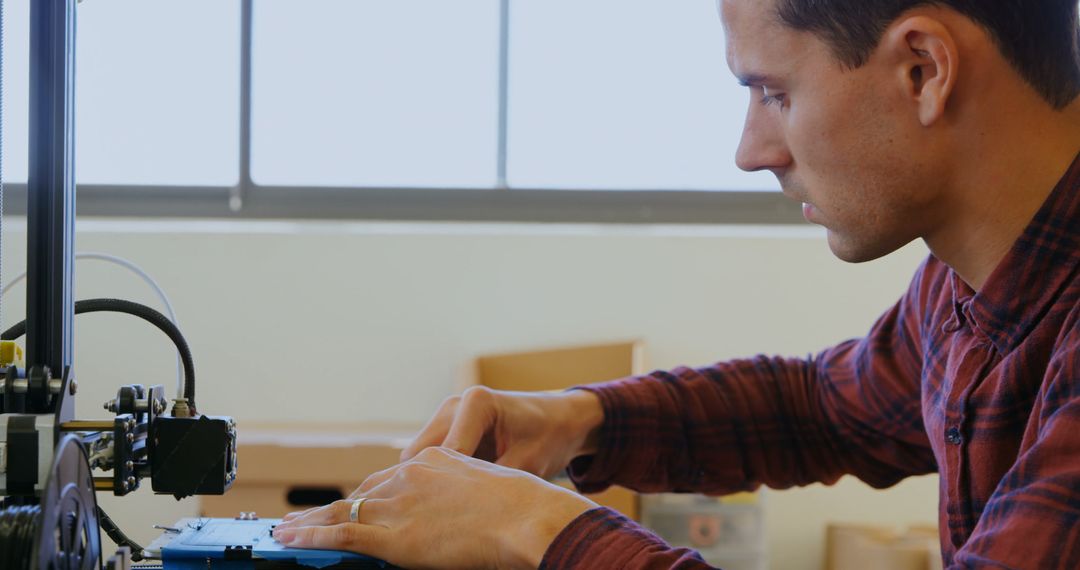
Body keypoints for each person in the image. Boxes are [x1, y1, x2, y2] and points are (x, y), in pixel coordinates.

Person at [271, 0, 1080, 567]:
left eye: (774, 92)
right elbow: (821, 409)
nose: (751, 150)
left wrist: (540, 529)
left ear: (923, 68)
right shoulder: (966, 286)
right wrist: (578, 420)